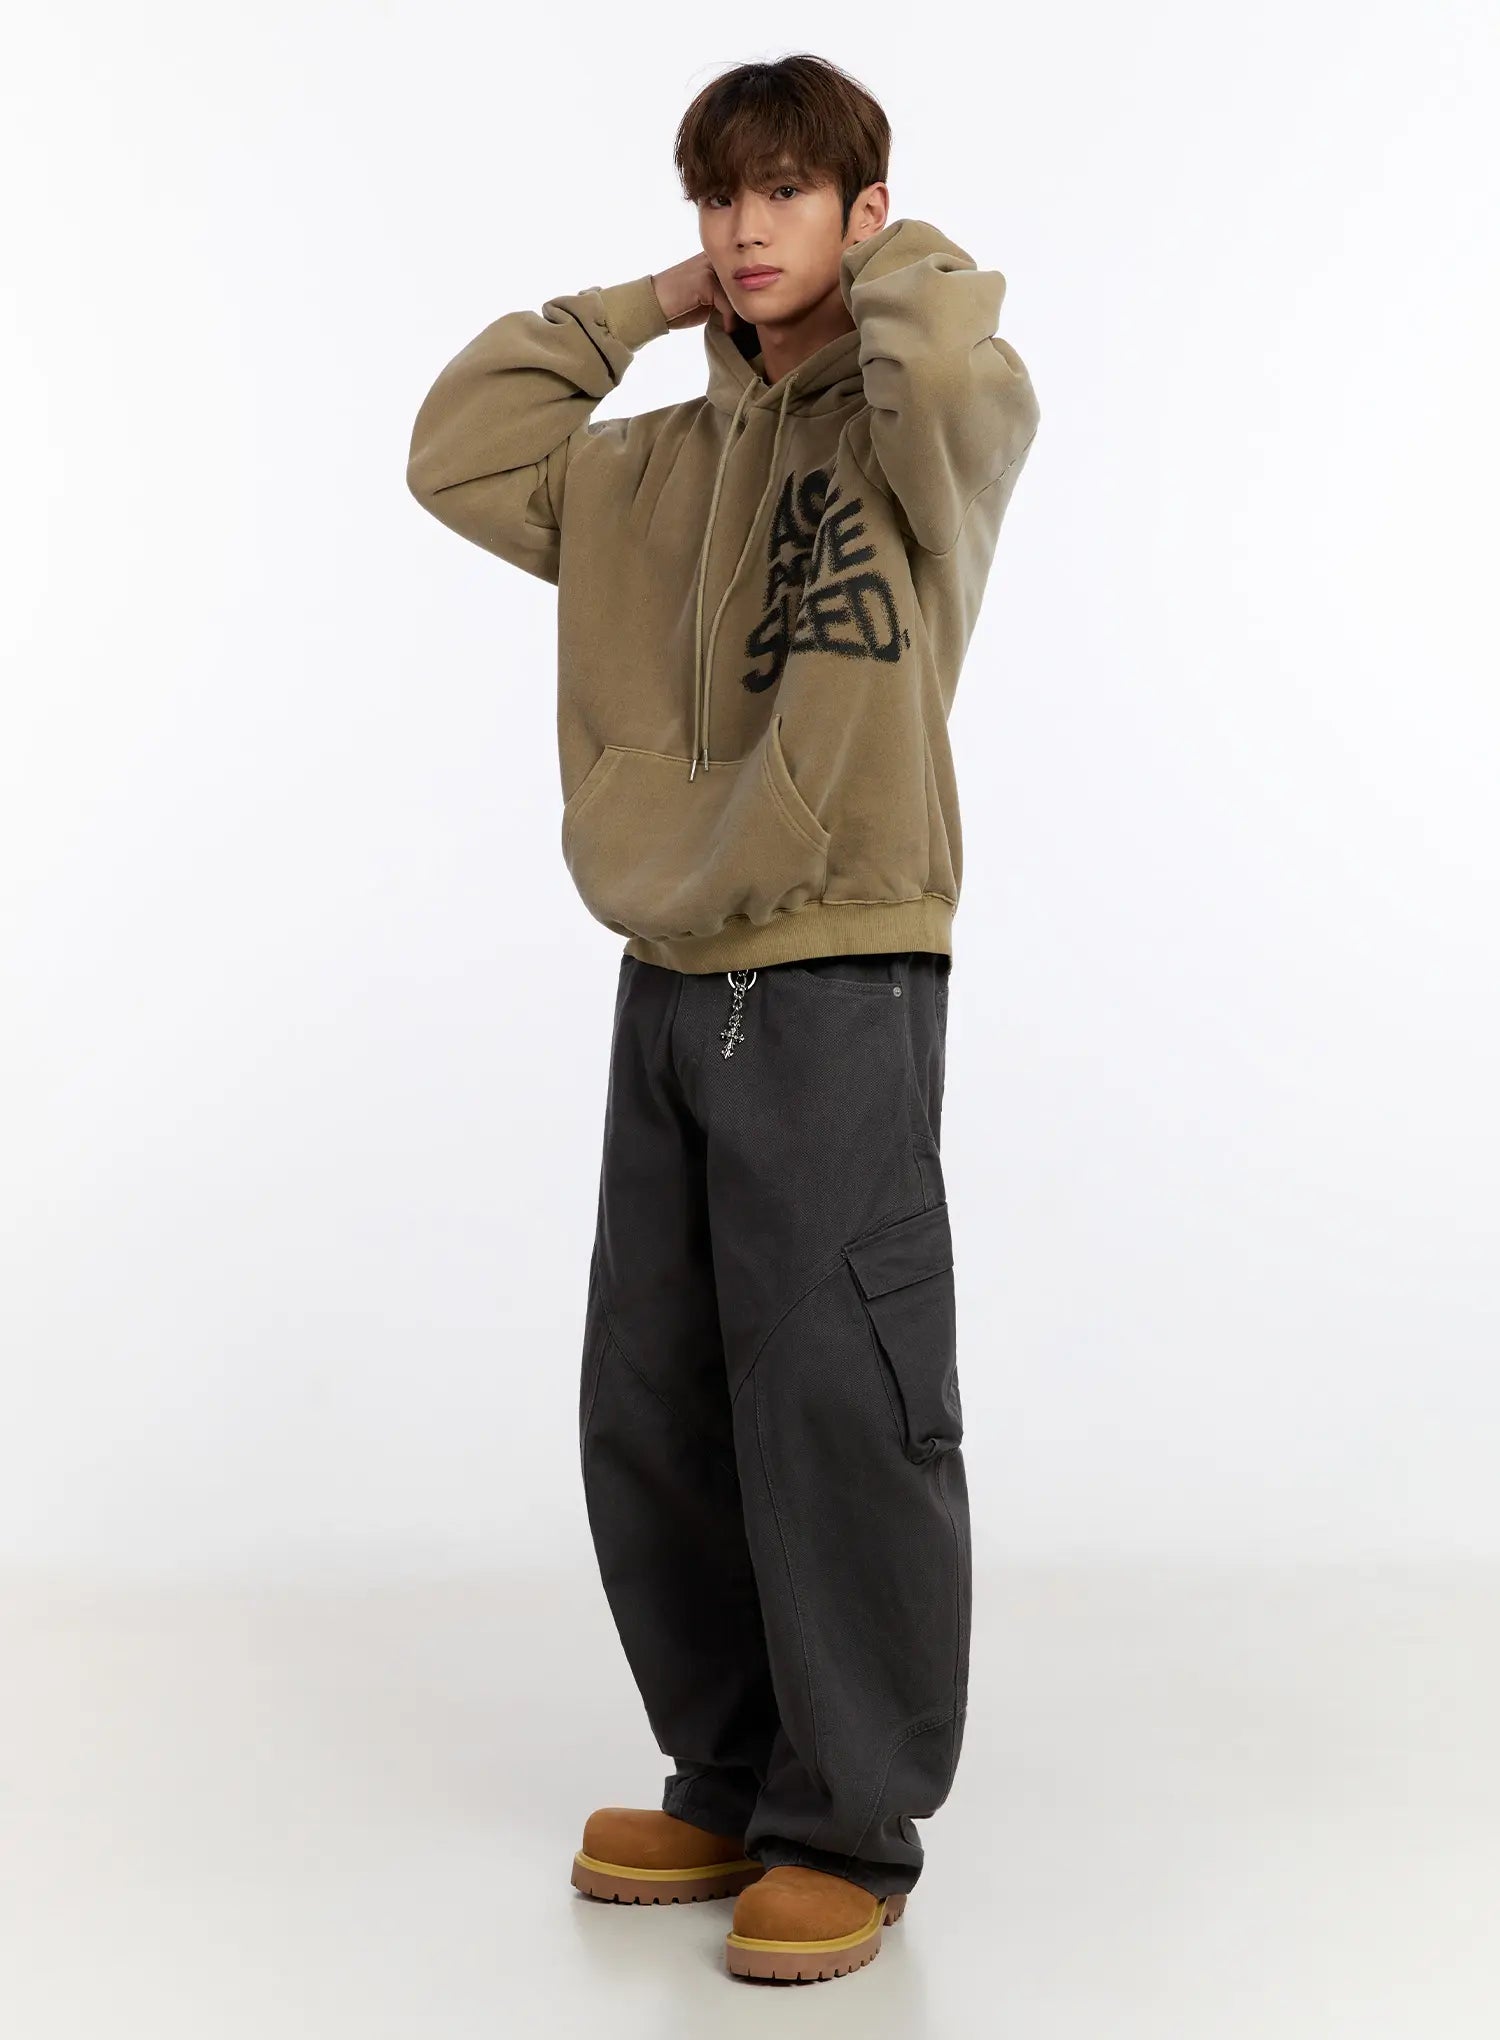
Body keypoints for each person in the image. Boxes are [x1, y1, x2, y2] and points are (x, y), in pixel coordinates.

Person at [406, 50, 1040, 1987]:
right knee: (659, 1399)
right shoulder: (646, 467)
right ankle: (732, 1772)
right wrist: (662, 302)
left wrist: (877, 271)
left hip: (843, 961)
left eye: (785, 194)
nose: (746, 227)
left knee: (839, 1399)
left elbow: (950, 370)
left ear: (862, 209)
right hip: (671, 967)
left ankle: (849, 1825)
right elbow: (457, 450)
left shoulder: (920, 432)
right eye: (719, 197)